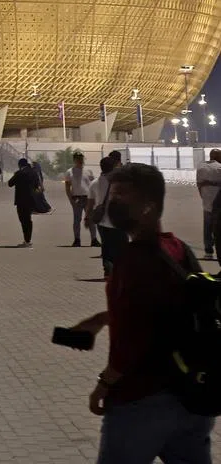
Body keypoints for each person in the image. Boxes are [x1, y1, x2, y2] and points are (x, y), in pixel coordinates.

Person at [70, 163, 213, 463]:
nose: (113, 202)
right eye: (113, 193)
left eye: (122, 195)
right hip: (190, 398)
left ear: (148, 206)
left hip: (142, 399)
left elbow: (133, 339)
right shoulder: (178, 248)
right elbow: (169, 307)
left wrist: (105, 383)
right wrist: (103, 318)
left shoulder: (132, 260)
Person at [89, 156, 126, 278]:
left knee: (106, 246)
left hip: (102, 222)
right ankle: (119, 270)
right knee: (121, 247)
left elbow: (90, 203)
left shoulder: (94, 183)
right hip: (118, 220)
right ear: (113, 167)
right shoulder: (119, 182)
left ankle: (107, 270)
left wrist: (88, 218)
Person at [65, 151, 100, 248]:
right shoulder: (70, 172)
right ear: (74, 159)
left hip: (88, 198)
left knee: (91, 219)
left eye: (81, 158)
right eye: (77, 158)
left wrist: (94, 198)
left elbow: (93, 185)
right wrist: (71, 200)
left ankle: (94, 239)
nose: (80, 160)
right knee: (77, 220)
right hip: (77, 198)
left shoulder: (88, 171)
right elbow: (67, 187)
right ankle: (77, 239)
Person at [195, 148, 221, 259]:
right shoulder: (219, 168)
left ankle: (208, 251)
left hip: (206, 202)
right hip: (218, 205)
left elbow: (199, 185)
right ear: (217, 157)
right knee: (218, 229)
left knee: (207, 228)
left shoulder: (201, 167)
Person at [8, 158, 40, 248]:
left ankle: (27, 240)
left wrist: (16, 176)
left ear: (20, 165)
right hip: (31, 200)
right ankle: (28, 240)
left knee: (23, 220)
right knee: (28, 220)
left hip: (21, 200)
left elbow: (10, 183)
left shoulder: (19, 173)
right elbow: (37, 185)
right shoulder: (34, 173)